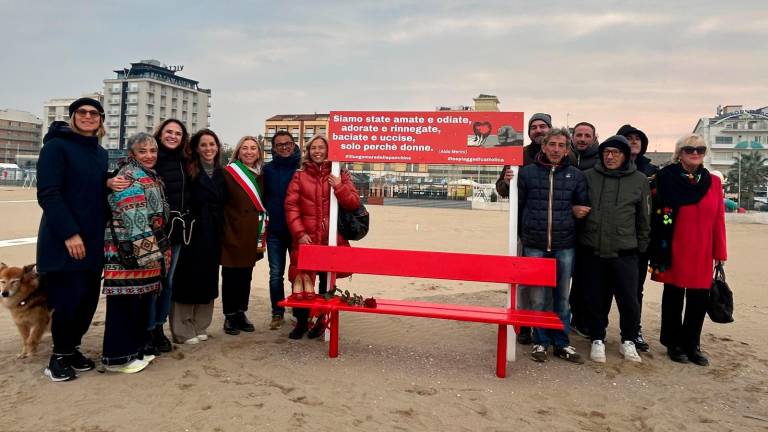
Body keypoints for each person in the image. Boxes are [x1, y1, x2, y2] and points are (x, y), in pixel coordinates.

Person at [36, 97, 113, 381]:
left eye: (95, 113)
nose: (88, 116)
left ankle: (72, 349)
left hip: (93, 239)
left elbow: (93, 190)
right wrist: (70, 233)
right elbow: (49, 194)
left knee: (87, 301)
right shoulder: (56, 147)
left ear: (101, 120)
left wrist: (110, 183)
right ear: (72, 117)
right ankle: (58, 356)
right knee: (67, 300)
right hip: (64, 240)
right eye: (82, 112)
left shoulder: (100, 153)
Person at [650, 134, 726, 366]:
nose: (695, 153)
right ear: (679, 153)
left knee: (698, 300)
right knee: (673, 297)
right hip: (672, 246)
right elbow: (653, 212)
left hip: (702, 250)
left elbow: (718, 219)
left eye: (700, 150)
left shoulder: (713, 182)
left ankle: (692, 344)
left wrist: (720, 254)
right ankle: (673, 343)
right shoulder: (664, 178)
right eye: (689, 149)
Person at [517, 127, 589, 363]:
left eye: (561, 145)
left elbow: (581, 205)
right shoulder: (526, 173)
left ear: (567, 149)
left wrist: (579, 211)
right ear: (544, 146)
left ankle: (562, 343)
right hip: (535, 243)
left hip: (564, 243)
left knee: (561, 297)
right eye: (552, 145)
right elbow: (518, 204)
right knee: (538, 297)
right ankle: (540, 341)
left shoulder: (576, 175)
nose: (556, 149)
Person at [102, 133, 171, 373]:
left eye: (153, 150)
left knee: (139, 303)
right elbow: (134, 216)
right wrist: (150, 255)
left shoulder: (148, 174)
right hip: (128, 252)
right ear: (132, 154)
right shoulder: (128, 176)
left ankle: (135, 350)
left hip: (142, 250)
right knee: (124, 305)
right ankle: (118, 358)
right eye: (143, 151)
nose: (150, 155)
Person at [579, 135, 650, 364]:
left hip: (626, 251)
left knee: (629, 300)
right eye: (606, 152)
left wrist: (640, 248)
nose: (610, 156)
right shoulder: (588, 177)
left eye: (616, 152)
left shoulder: (639, 180)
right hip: (594, 250)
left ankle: (628, 340)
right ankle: (597, 338)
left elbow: (644, 219)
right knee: (596, 298)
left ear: (626, 155)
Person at [284, 134, 360, 339]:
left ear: (328, 151)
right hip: (306, 239)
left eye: (321, 147)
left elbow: (353, 203)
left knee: (327, 283)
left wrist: (339, 186)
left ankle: (321, 322)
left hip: (330, 239)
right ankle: (301, 322)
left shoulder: (340, 174)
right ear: (308, 151)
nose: (317, 151)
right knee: (302, 282)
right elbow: (291, 206)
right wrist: (299, 233)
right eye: (313, 148)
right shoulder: (299, 175)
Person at [495, 112, 552, 345]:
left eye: (543, 126)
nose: (538, 130)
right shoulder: (517, 155)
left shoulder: (561, 153)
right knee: (525, 281)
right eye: (534, 127)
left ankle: (548, 326)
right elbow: (501, 189)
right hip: (523, 229)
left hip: (556, 230)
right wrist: (507, 181)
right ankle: (525, 325)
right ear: (528, 132)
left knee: (551, 282)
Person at [170, 129, 226, 344]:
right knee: (186, 279)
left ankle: (200, 324)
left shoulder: (221, 173)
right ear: (195, 148)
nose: (208, 149)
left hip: (213, 231)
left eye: (212, 144)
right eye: (203, 145)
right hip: (191, 231)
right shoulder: (188, 169)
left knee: (208, 278)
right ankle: (182, 329)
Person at [148, 118, 191, 354]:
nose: (173, 136)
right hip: (151, 232)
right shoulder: (151, 157)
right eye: (169, 132)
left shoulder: (185, 160)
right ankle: (146, 329)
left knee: (167, 283)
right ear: (160, 133)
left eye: (178, 133)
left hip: (175, 232)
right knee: (149, 283)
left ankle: (158, 328)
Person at [617, 124, 658, 352]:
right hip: (612, 241)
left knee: (634, 292)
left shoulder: (651, 171)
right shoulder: (608, 166)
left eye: (637, 138)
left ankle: (634, 331)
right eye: (628, 138)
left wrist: (646, 241)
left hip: (638, 243)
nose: (633, 141)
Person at [220, 136, 267, 335]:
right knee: (231, 275)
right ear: (238, 151)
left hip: (252, 233)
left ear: (258, 153)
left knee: (245, 275)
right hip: (232, 230)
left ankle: (241, 312)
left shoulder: (261, 175)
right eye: (245, 148)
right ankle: (229, 316)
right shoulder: (228, 173)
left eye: (253, 148)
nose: (249, 152)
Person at [263, 131, 301, 330]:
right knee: (275, 274)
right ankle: (277, 312)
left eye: (288, 143)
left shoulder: (302, 168)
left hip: (298, 231)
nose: (284, 147)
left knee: (297, 274)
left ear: (294, 145)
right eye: (280, 145)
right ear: (274, 148)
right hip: (275, 232)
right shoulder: (267, 170)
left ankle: (297, 309)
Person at [567, 121, 600, 339]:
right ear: (572, 137)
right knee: (559, 278)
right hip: (565, 226)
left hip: (589, 229)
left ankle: (581, 320)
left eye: (587, 135)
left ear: (594, 138)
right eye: (578, 135)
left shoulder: (601, 160)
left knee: (586, 280)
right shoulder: (564, 156)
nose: (582, 139)